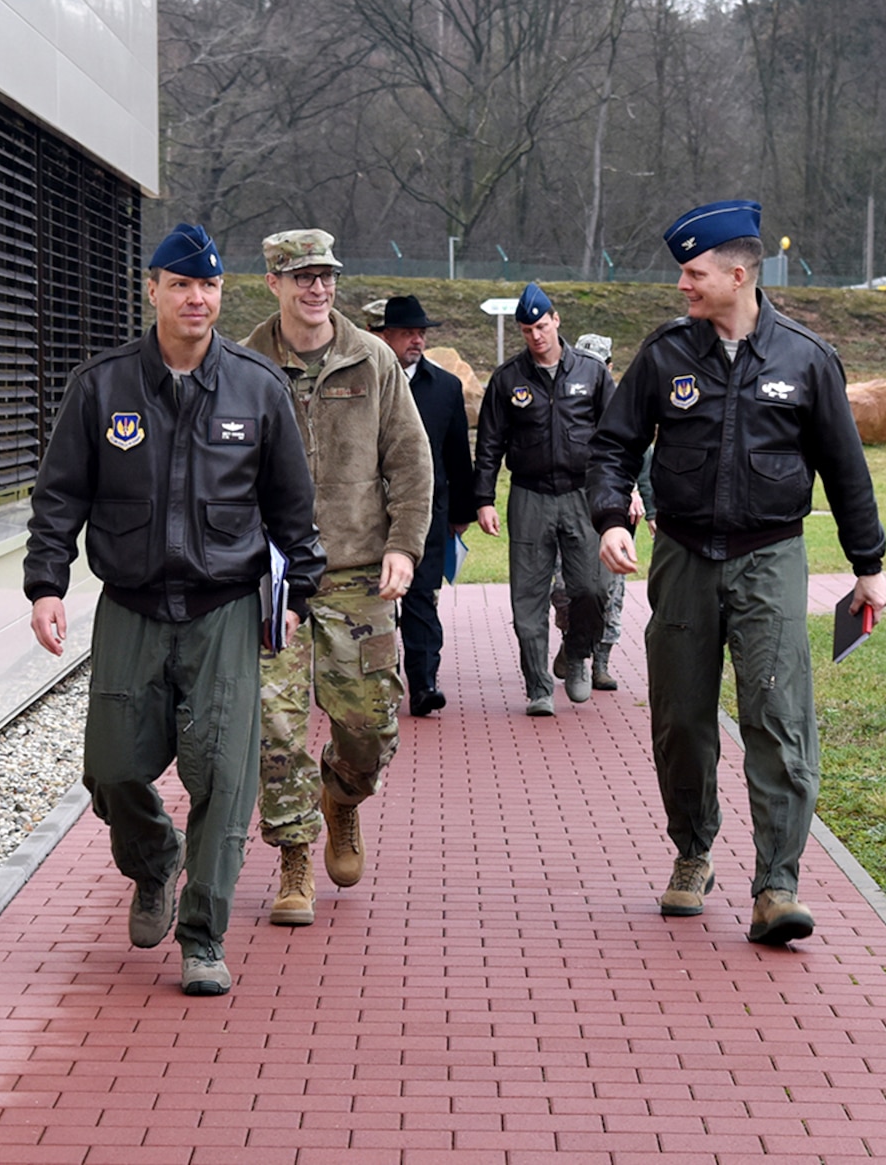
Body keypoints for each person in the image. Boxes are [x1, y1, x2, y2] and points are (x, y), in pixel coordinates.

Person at [24, 222, 325, 994]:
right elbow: (60, 495)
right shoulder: (102, 385)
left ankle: (204, 936)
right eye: (182, 284)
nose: (197, 298)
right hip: (131, 604)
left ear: (223, 294)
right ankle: (155, 861)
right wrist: (46, 583)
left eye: (210, 286)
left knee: (225, 777)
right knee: (113, 769)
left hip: (225, 605)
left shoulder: (258, 387)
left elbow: (293, 510)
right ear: (152, 289)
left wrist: (295, 597)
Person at [588, 199, 886, 946]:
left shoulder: (806, 358)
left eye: (694, 272)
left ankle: (776, 884)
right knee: (682, 718)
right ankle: (692, 853)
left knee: (777, 718)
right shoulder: (664, 355)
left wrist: (869, 567)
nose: (683, 285)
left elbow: (847, 471)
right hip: (684, 556)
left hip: (771, 557)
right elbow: (613, 448)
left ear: (737, 272)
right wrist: (608, 518)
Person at [241, 230, 432, 927]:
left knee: (372, 725)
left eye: (325, 275)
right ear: (273, 282)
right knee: (277, 725)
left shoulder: (371, 357)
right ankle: (294, 856)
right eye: (301, 277)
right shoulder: (245, 362)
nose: (316, 288)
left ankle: (343, 794)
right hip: (275, 576)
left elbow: (411, 462)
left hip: (357, 571)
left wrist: (405, 547)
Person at [471, 283, 614, 715]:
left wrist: (620, 493)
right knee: (528, 598)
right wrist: (484, 499)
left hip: (581, 494)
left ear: (556, 320)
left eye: (541, 325)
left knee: (591, 589)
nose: (536, 335)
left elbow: (615, 439)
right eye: (527, 329)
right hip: (530, 495)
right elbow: (490, 443)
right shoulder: (508, 379)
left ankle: (576, 654)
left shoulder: (592, 372)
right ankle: (538, 687)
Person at [373, 294, 478, 717]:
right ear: (385, 336)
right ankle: (380, 683)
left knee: (420, 601)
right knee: (375, 605)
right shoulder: (365, 384)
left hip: (428, 515)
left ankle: (424, 684)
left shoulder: (446, 387)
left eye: (421, 333)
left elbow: (458, 456)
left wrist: (461, 514)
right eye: (407, 333)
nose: (417, 340)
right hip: (371, 515)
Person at [547, 332, 643, 691]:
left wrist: (637, 494)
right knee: (566, 589)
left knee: (610, 590)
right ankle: (572, 640)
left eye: (600, 364)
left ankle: (599, 661)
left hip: (612, 510)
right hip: (568, 503)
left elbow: (636, 453)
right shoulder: (565, 396)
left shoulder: (621, 403)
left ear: (610, 366)